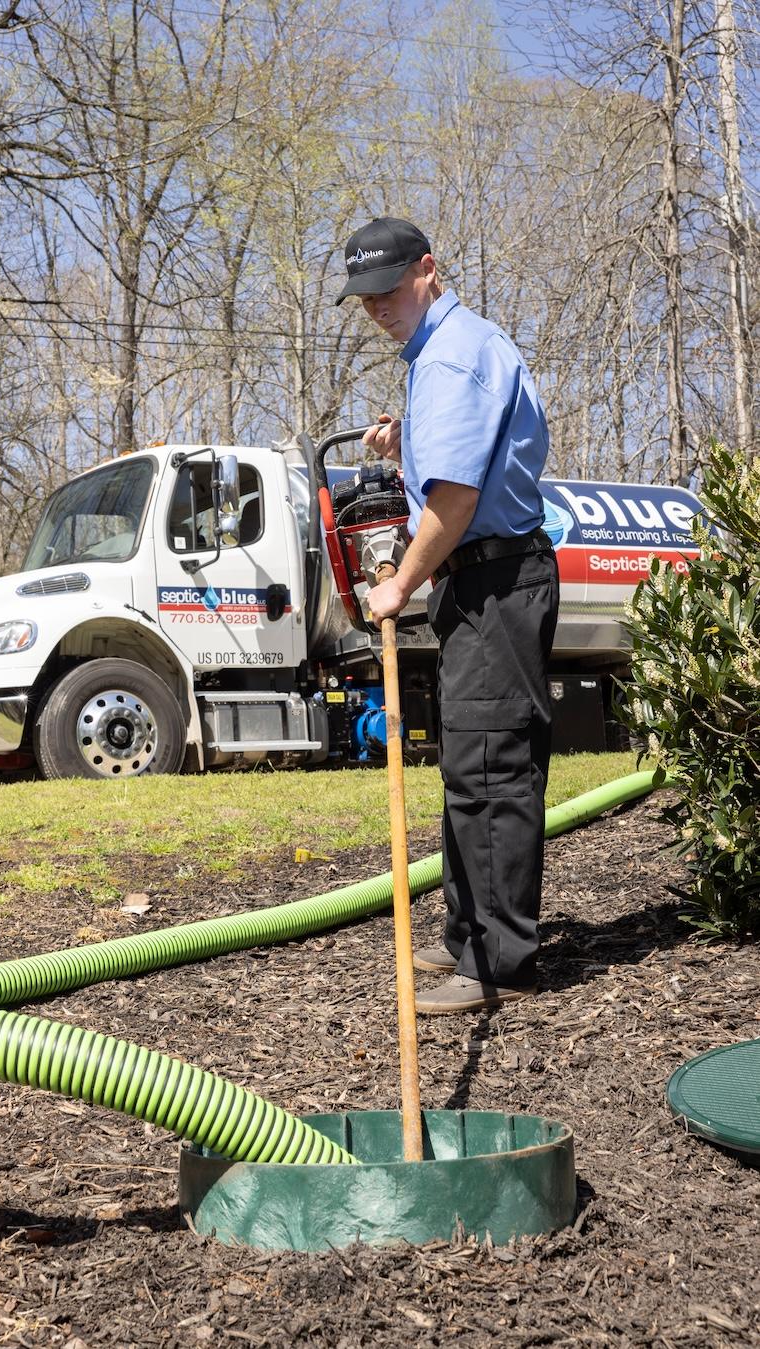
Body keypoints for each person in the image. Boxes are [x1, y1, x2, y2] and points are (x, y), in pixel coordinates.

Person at [336, 216, 559, 1014]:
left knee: (493, 768)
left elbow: (460, 500)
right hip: (478, 581)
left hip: (496, 577)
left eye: (387, 290)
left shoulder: (454, 355)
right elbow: (459, 468)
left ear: (428, 269)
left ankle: (498, 961)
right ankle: (470, 931)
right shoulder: (439, 356)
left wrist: (398, 586)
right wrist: (411, 448)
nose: (375, 307)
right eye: (363, 298)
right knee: (469, 765)